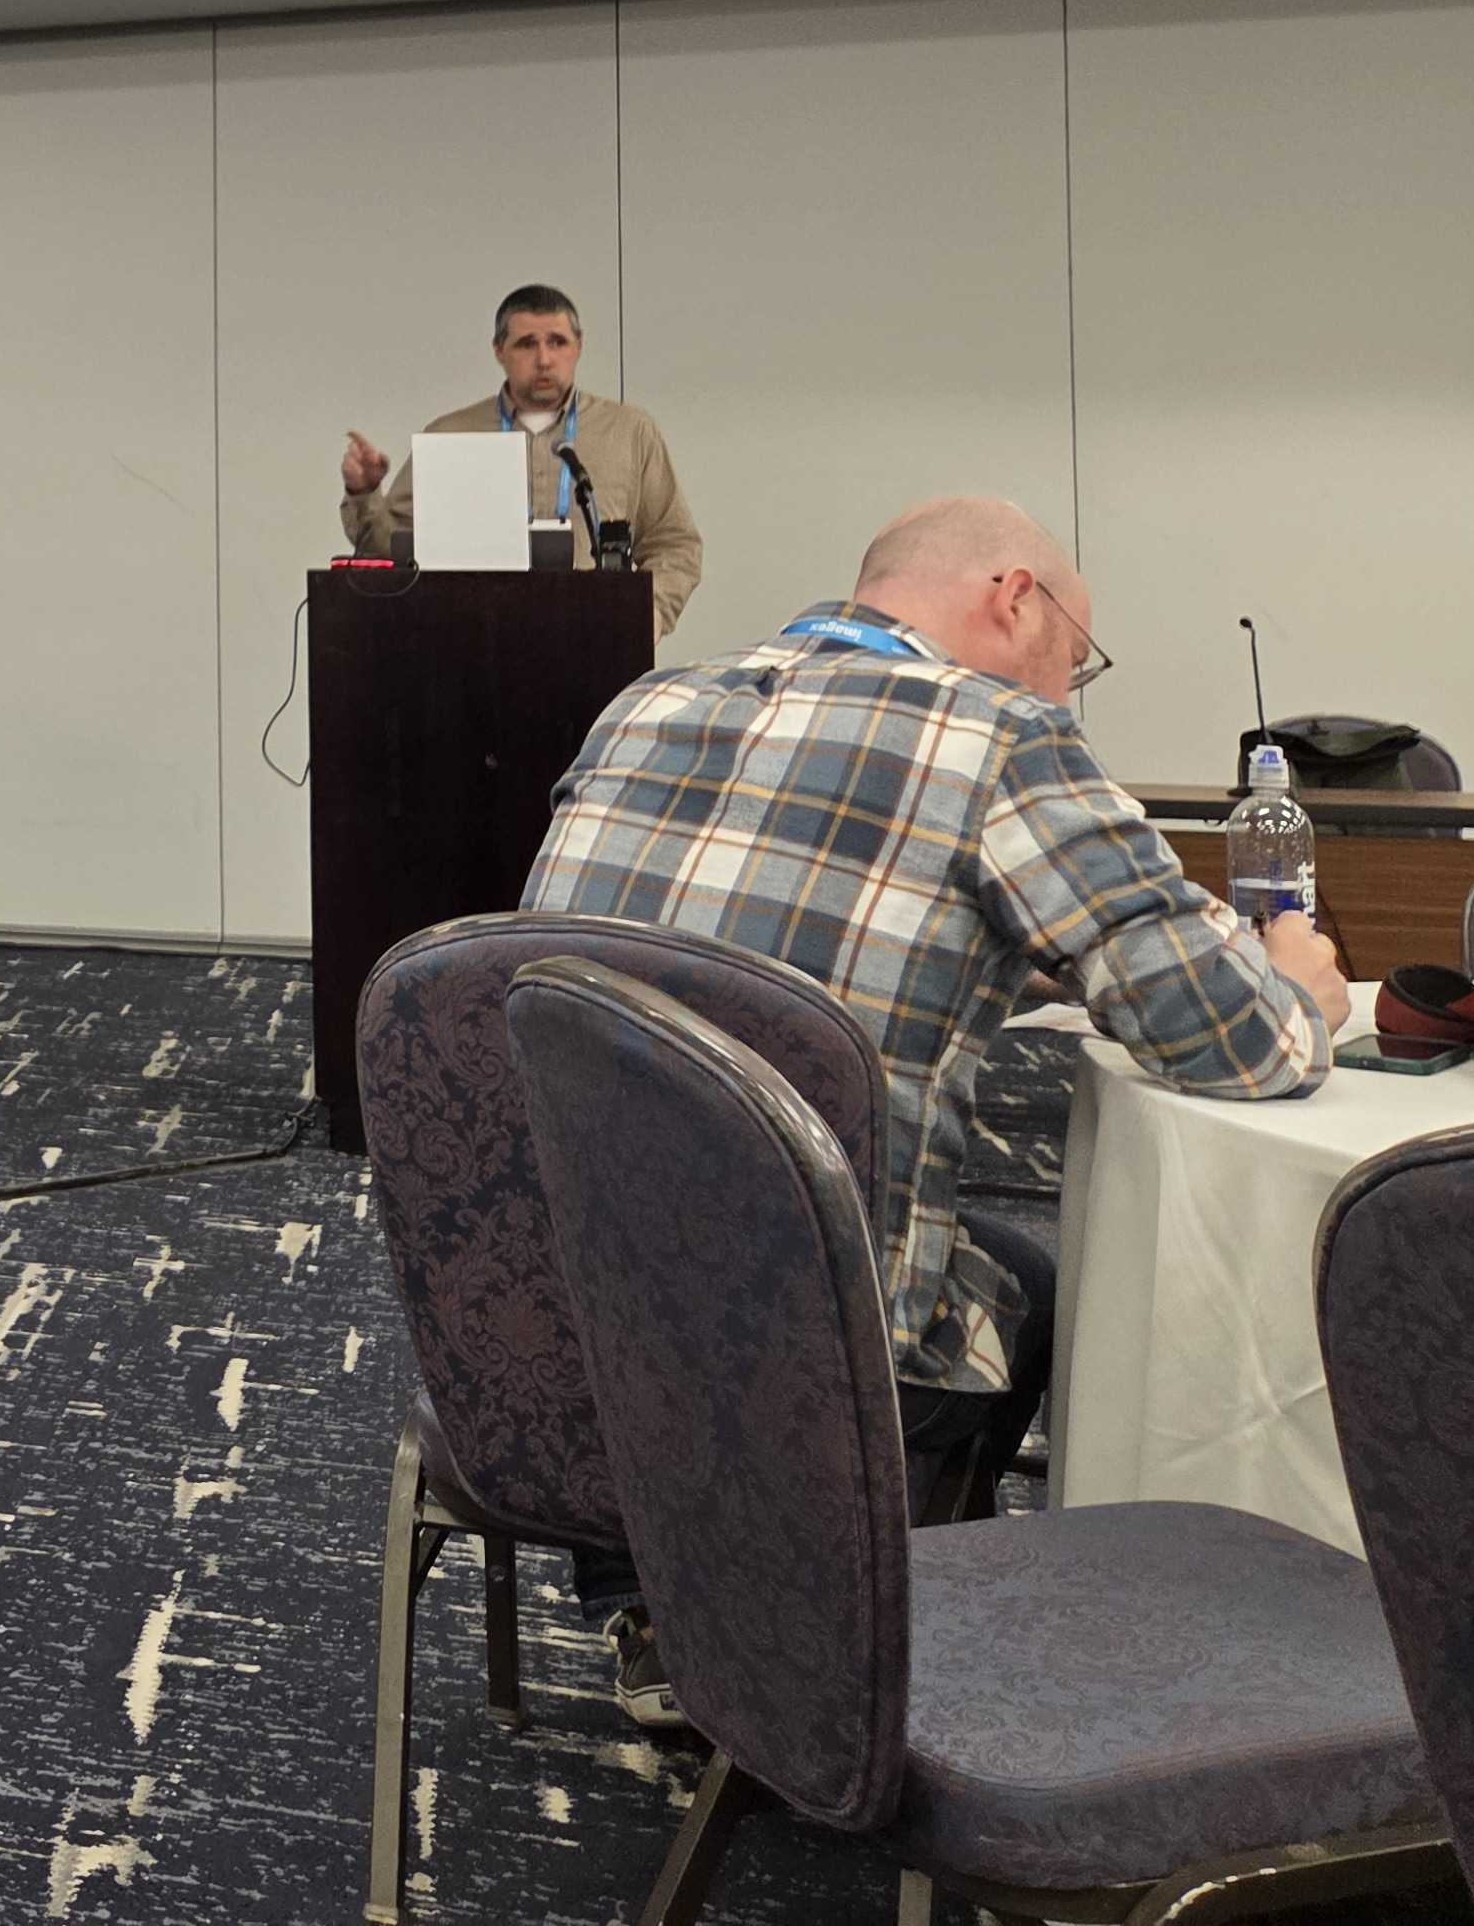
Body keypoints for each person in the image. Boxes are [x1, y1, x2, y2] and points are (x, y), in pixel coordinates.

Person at [522, 494, 1345, 1721]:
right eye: (1076, 656)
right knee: (1051, 1282)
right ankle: (858, 1636)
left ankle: (658, 1594)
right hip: (803, 1335)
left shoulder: (646, 703)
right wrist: (1300, 987)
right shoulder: (1003, 737)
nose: (1069, 693)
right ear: (1013, 597)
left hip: (547, 1314)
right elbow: (1231, 1042)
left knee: (700, 1183)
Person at [339, 283, 702, 636]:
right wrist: (365, 492)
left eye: (557, 342)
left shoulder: (628, 432)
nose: (544, 359)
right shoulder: (451, 435)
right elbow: (392, 551)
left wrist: (646, 615)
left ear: (579, 346)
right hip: (472, 643)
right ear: (499, 350)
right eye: (527, 344)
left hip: (594, 641)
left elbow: (674, 544)